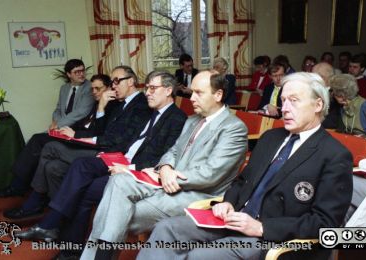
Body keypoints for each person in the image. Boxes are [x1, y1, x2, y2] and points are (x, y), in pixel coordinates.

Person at [138, 72, 353, 260]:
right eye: (283, 100)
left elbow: (326, 223)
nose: (284, 109)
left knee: (198, 256)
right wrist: (229, 202)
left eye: (294, 101)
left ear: (318, 105)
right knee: (167, 229)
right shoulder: (271, 138)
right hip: (233, 219)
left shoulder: (334, 155)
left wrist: (261, 227)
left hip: (271, 237)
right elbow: (242, 181)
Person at [14, 71, 188, 257]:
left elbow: (166, 157)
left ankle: (62, 241)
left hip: (136, 171)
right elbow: (125, 139)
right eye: (147, 88)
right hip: (121, 158)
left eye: (153, 88)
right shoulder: (150, 113)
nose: (147, 93)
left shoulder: (177, 118)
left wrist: (127, 167)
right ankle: (54, 229)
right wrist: (111, 154)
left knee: (86, 189)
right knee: (81, 165)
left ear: (169, 90)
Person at [81, 70, 248, 260]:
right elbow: (173, 151)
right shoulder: (192, 120)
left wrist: (168, 175)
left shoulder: (233, 128)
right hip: (168, 182)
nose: (191, 98)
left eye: (199, 93)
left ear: (218, 95)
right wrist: (166, 168)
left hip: (196, 194)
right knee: (118, 180)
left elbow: (210, 174)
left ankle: (99, 256)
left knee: (113, 212)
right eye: (192, 92)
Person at [3, 66, 151, 220]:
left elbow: (118, 139)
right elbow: (102, 130)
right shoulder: (121, 103)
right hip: (99, 145)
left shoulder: (140, 105)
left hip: (108, 153)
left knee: (49, 146)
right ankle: (57, 215)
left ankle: (33, 201)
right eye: (112, 81)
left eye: (116, 81)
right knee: (52, 166)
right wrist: (101, 107)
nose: (113, 85)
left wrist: (84, 137)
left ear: (131, 81)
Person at [0, 59, 95, 197]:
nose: (81, 74)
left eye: (83, 70)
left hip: (75, 131)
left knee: (36, 140)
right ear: (68, 74)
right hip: (61, 129)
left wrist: (58, 125)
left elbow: (80, 113)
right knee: (34, 142)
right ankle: (21, 184)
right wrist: (54, 121)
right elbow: (58, 109)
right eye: (77, 72)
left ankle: (18, 186)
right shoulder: (64, 88)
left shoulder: (89, 88)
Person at [312, 62, 342, 129]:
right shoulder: (308, 93)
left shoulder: (337, 98)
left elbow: (331, 123)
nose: (312, 80)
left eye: (320, 77)